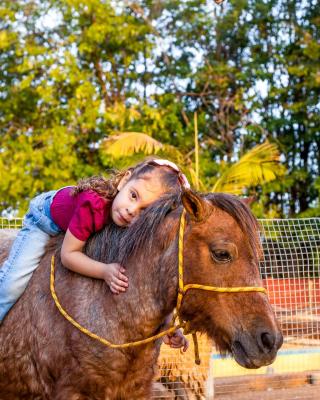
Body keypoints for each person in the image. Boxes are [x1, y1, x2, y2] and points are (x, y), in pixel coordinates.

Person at [0, 158, 190, 350]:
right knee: (12, 283)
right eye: (133, 196)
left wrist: (167, 325)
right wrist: (105, 271)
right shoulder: (93, 205)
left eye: (144, 212)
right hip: (46, 219)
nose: (132, 211)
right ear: (125, 180)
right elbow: (69, 255)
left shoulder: (131, 225)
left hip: (83, 224)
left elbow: (145, 282)